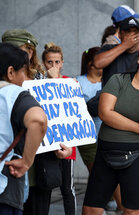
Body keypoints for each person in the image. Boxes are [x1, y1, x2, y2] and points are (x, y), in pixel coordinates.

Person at [82, 40, 139, 215]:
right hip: (106, 153)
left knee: (131, 211)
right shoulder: (118, 80)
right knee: (91, 209)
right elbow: (105, 113)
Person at [0, 42, 47, 215]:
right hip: (5, 182)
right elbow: (38, 120)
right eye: (25, 72)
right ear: (11, 72)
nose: (26, 79)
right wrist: (27, 161)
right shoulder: (13, 93)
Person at [41, 42, 77, 215]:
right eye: (49, 62)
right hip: (45, 142)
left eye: (57, 62)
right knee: (46, 185)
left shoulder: (70, 82)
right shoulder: (38, 84)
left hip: (66, 142)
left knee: (66, 188)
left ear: (62, 63)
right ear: (43, 63)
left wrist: (55, 80)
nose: (53, 66)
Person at [77, 47, 102, 172]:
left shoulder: (110, 81)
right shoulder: (78, 82)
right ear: (91, 65)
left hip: (107, 137)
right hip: (88, 137)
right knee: (97, 175)